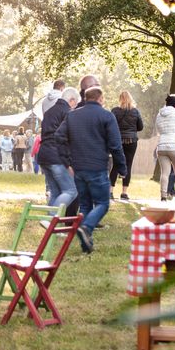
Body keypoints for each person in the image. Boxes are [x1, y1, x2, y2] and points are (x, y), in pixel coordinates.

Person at [55, 86, 126, 254]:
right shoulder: (107, 116)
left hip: (78, 168)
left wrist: (67, 161)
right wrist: (122, 167)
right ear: (100, 99)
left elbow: (58, 136)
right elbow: (116, 145)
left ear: (85, 99)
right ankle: (86, 227)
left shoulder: (72, 115)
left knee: (85, 205)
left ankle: (86, 244)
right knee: (103, 203)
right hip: (97, 166)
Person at [37, 86, 79, 213]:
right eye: (76, 103)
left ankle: (48, 222)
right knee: (71, 191)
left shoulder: (49, 111)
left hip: (43, 155)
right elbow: (67, 139)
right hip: (57, 156)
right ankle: (51, 218)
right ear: (72, 100)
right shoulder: (68, 113)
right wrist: (69, 163)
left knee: (55, 192)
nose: (75, 106)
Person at [110, 90, 144, 201]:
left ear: (120, 99)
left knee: (116, 165)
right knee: (128, 165)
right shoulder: (135, 111)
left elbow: (110, 125)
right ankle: (124, 193)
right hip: (131, 140)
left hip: (118, 140)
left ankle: (110, 191)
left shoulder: (115, 111)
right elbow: (140, 127)